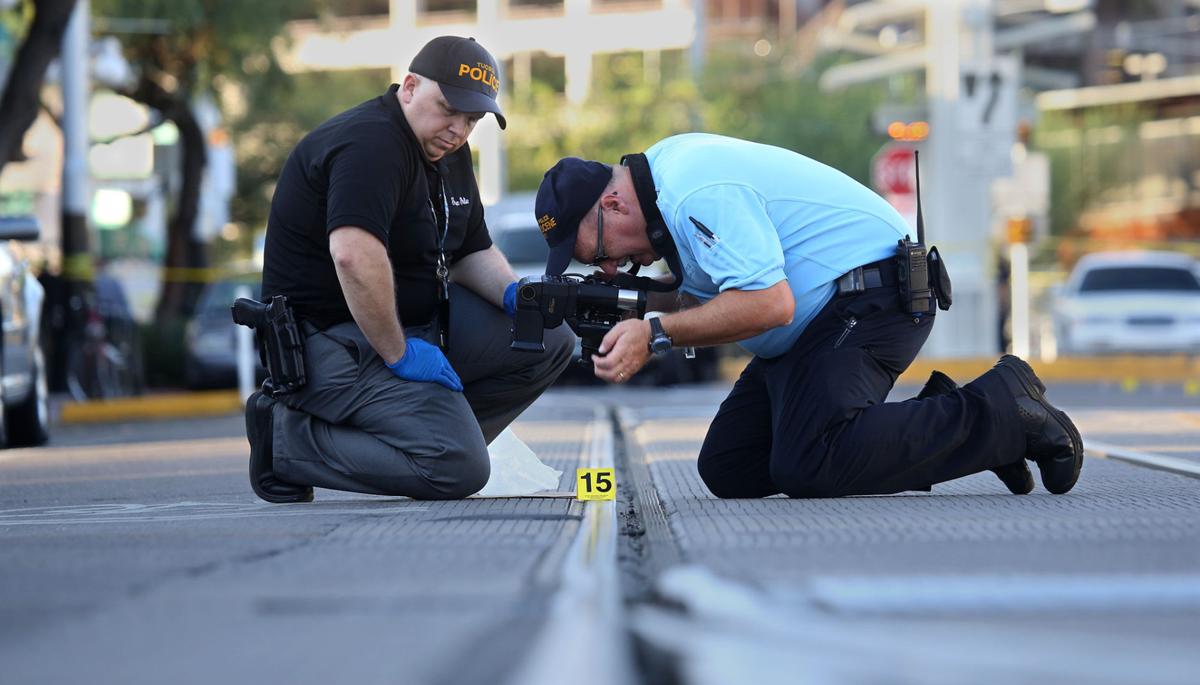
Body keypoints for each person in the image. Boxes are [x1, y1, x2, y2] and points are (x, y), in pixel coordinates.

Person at [534, 133, 1083, 498]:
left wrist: (654, 333)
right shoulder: (661, 184)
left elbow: (769, 304)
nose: (614, 265)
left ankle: (1003, 410)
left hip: (873, 300)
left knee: (810, 462)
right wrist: (619, 302)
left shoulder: (696, 192)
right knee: (730, 467)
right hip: (814, 323)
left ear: (611, 205)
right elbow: (715, 299)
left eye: (601, 254)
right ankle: (953, 422)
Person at [246, 36, 574, 504]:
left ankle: (435, 436)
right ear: (410, 87)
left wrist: (516, 295)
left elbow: (469, 251)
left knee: (548, 336)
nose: (458, 129)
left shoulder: (445, 150)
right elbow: (353, 256)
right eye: (448, 109)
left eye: (472, 119)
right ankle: (285, 438)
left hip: (406, 330)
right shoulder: (371, 143)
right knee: (457, 468)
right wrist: (399, 354)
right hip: (329, 344)